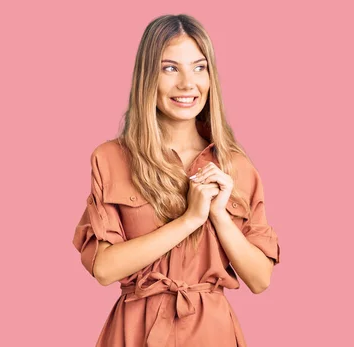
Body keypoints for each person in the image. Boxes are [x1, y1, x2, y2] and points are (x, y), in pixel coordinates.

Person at [72, 14, 280, 347]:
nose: (187, 84)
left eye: (199, 68)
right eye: (170, 68)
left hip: (213, 334)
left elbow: (260, 279)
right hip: (135, 332)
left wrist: (219, 216)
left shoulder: (236, 167)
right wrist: (190, 219)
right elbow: (104, 268)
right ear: (147, 77)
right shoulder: (110, 159)